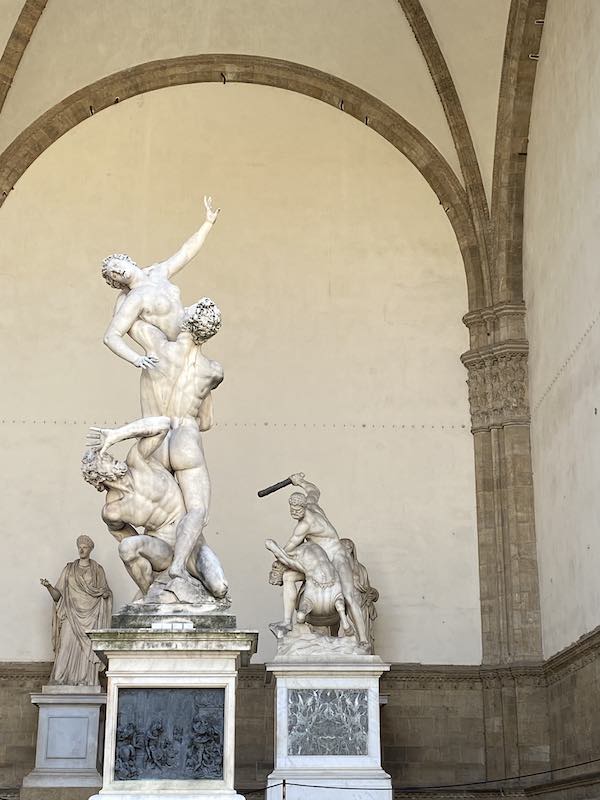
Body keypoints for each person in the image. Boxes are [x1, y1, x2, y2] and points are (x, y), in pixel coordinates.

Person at [81, 416, 227, 598]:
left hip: (192, 543)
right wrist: (150, 561)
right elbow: (125, 538)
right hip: (162, 548)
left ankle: (179, 568)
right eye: (105, 458)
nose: (110, 456)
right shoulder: (112, 511)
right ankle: (150, 595)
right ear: (98, 475)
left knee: (219, 587)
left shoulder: (137, 461)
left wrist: (117, 435)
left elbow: (163, 425)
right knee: (127, 548)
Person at [101, 196, 219, 370]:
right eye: (114, 275)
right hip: (174, 350)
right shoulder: (135, 298)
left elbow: (186, 252)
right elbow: (111, 336)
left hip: (193, 340)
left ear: (128, 260)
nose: (117, 271)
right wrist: (136, 359)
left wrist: (207, 224)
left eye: (117, 265)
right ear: (117, 283)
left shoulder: (158, 272)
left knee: (216, 372)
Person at [270, 473, 370, 648]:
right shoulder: (312, 504)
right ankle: (287, 621)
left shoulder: (304, 525)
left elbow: (290, 547)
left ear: (303, 508)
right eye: (292, 511)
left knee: (349, 594)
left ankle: (362, 639)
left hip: (335, 556)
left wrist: (276, 554)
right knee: (288, 577)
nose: (294, 513)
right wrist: (300, 482)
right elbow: (314, 490)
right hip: (318, 558)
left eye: (297, 510)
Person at [40, 535, 112, 686]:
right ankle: (60, 680)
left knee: (87, 651)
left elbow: (105, 592)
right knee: (65, 647)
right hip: (71, 615)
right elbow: (57, 596)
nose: (81, 549)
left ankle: (87, 681)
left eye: (85, 547)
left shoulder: (97, 569)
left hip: (91, 617)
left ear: (90, 549)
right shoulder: (69, 569)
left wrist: (105, 595)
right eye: (79, 546)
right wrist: (48, 587)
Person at [341, 538, 379, 651]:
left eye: (350, 546)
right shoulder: (337, 568)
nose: (348, 548)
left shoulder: (361, 569)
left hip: (362, 605)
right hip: (346, 606)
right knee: (347, 637)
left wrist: (373, 594)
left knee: (364, 636)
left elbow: (368, 589)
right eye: (345, 546)